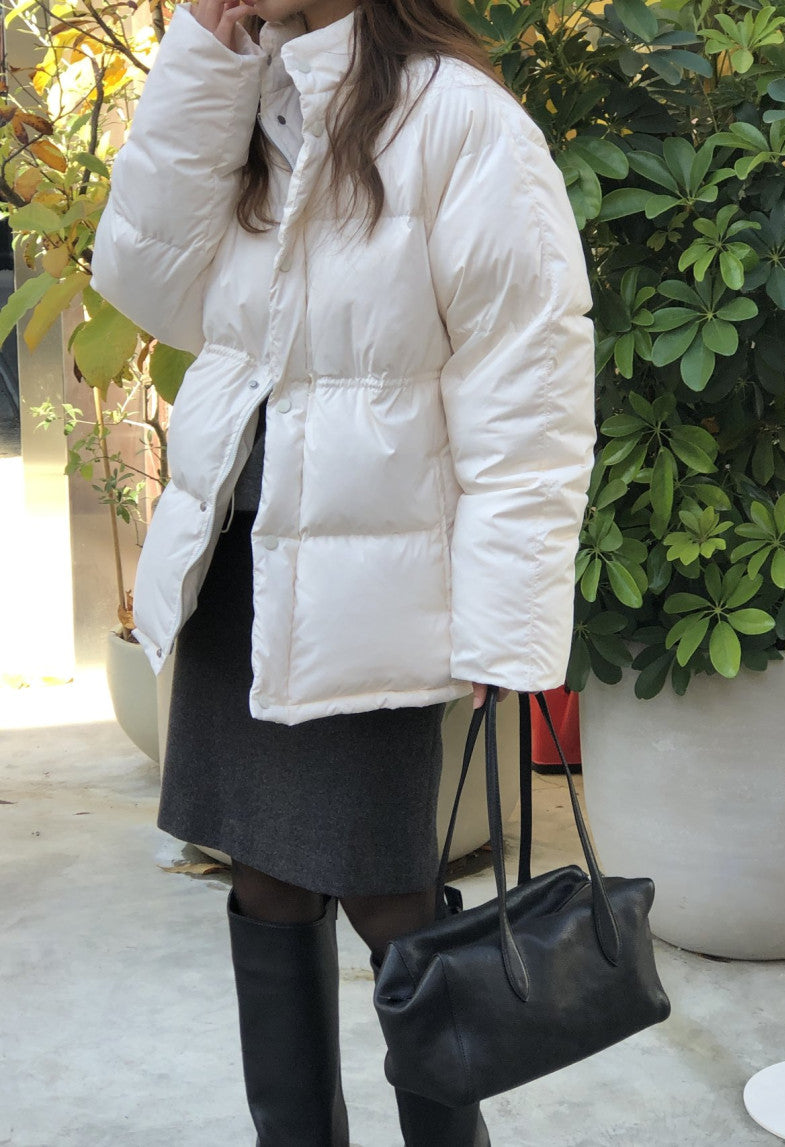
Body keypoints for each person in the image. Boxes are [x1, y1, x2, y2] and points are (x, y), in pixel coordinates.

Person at [90, 0, 596, 1141]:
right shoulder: (251, 92)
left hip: (372, 587)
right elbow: (146, 283)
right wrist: (205, 62)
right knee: (263, 878)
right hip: (238, 564)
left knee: (388, 896)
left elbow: (528, 390)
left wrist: (507, 625)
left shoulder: (461, 121)